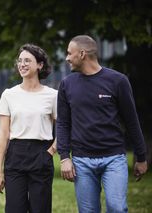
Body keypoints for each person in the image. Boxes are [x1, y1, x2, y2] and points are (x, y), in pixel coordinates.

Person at [57, 35, 148, 213]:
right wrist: (64, 157)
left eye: (69, 53)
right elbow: (63, 124)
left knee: (117, 207)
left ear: (82, 54)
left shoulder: (118, 81)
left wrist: (141, 157)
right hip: (81, 160)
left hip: (114, 158)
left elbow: (132, 121)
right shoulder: (66, 84)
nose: (66, 57)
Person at [0, 44, 57, 213]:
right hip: (15, 154)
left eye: (28, 60)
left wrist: (52, 150)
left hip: (42, 154)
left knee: (40, 209)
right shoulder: (8, 94)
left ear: (40, 65)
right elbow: (3, 134)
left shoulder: (52, 95)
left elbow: (63, 127)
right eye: (20, 60)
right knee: (14, 209)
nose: (22, 64)